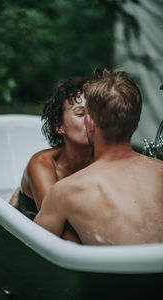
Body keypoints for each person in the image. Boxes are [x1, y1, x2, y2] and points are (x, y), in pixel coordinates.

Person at [34, 69, 163, 246]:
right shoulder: (160, 170)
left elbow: (33, 250)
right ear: (135, 121)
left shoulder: (67, 191)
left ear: (91, 124)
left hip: (112, 273)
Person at [9, 77, 93, 243]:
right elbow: (65, 234)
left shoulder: (101, 160)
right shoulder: (42, 165)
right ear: (59, 126)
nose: (90, 120)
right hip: (32, 238)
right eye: (81, 114)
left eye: (95, 113)